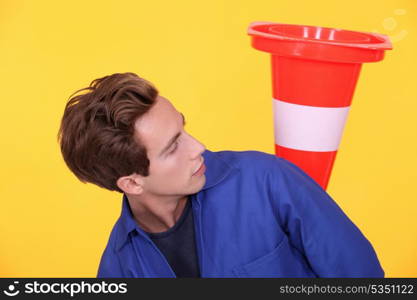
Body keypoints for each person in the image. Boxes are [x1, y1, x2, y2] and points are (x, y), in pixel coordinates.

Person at [57, 72, 384, 278]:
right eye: (172, 147)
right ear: (131, 182)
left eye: (184, 128)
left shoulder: (266, 179)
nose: (198, 147)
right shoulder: (119, 268)